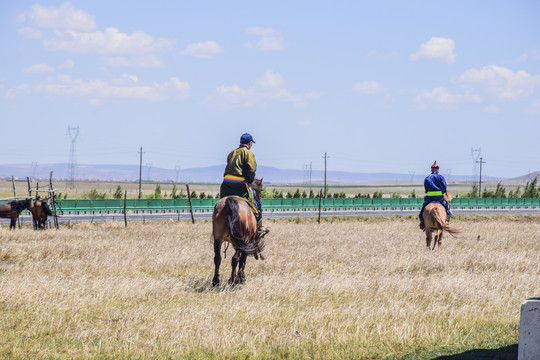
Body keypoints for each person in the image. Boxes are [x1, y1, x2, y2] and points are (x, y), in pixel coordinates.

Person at [220, 133, 268, 239]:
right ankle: (257, 230)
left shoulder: (231, 153)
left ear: (240, 142)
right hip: (240, 186)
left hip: (225, 186)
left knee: (222, 207)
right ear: (250, 143)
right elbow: (251, 169)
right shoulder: (249, 154)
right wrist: (250, 180)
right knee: (257, 205)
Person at [419, 161, 451, 230]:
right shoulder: (440, 177)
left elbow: (426, 188)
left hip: (429, 198)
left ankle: (422, 222)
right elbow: (444, 187)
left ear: (431, 170)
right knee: (446, 206)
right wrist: (443, 192)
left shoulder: (427, 178)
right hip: (439, 197)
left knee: (423, 209)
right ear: (437, 170)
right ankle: (447, 218)